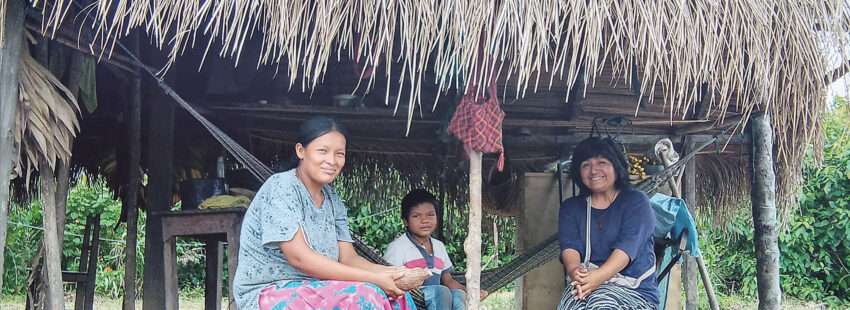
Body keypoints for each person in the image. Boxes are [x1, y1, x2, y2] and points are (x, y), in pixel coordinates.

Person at [233, 116, 417, 310]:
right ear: (301, 151)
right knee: (366, 296)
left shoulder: (332, 198)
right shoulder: (282, 187)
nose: (332, 161)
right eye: (323, 151)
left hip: (317, 286)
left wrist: (393, 273)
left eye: (340, 153)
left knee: (400, 298)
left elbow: (348, 258)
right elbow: (299, 258)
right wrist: (374, 279)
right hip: (271, 291)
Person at [557, 137, 659, 310]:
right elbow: (569, 246)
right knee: (572, 305)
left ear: (616, 166)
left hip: (634, 292)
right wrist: (575, 272)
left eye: (602, 162)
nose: (594, 171)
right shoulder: (571, 208)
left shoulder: (636, 202)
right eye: (586, 165)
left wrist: (598, 278)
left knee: (600, 306)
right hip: (585, 284)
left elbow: (627, 249)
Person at [383, 189, 489, 310]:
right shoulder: (398, 247)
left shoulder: (439, 246)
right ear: (405, 221)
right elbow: (392, 280)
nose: (424, 220)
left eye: (430, 215)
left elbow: (448, 281)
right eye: (416, 216)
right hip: (412, 298)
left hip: (439, 300)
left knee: (459, 294)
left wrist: (470, 292)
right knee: (441, 291)